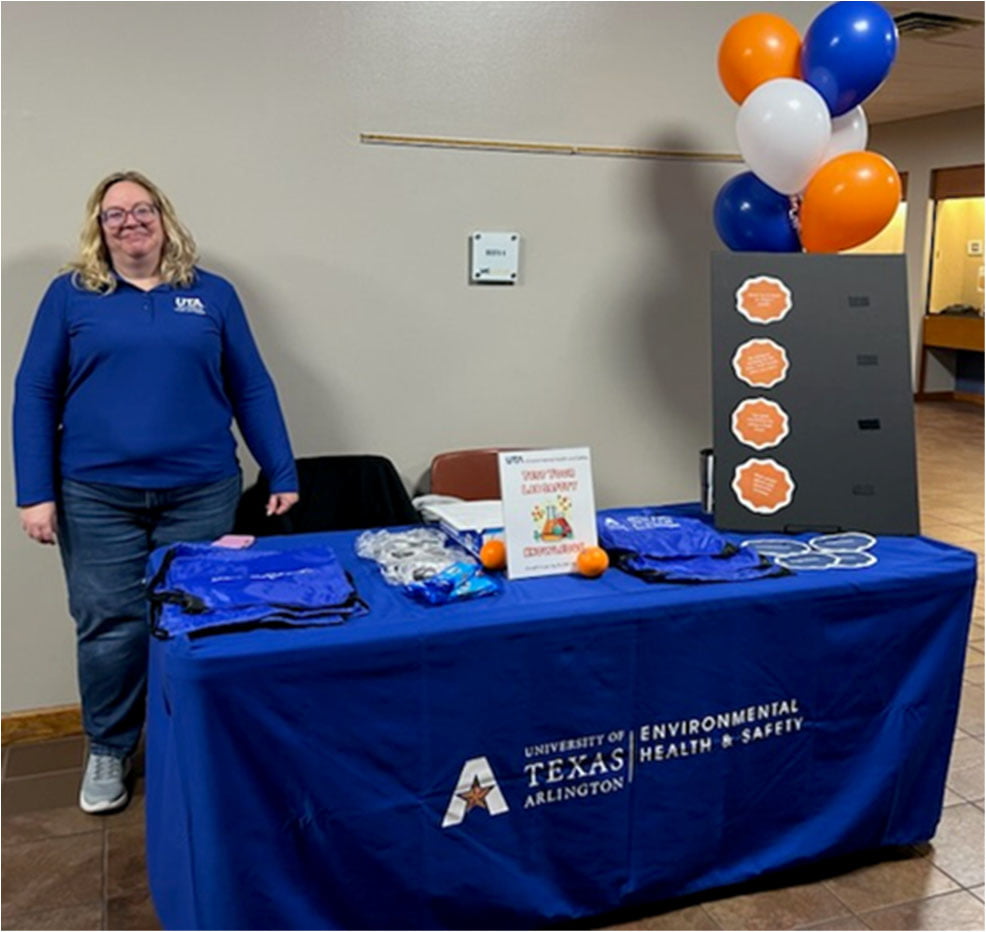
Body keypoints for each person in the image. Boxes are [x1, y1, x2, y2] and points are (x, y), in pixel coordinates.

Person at [13, 170, 299, 813]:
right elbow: (34, 392)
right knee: (110, 626)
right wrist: (34, 491)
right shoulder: (70, 296)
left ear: (164, 219)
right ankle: (109, 749)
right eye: (114, 214)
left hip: (200, 490)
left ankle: (191, 741)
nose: (130, 221)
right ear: (99, 227)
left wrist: (280, 468)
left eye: (142, 210)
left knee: (195, 619)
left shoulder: (213, 295)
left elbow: (251, 386)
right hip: (95, 495)